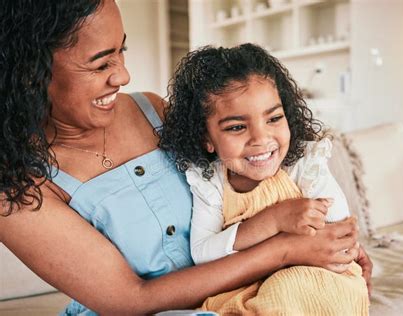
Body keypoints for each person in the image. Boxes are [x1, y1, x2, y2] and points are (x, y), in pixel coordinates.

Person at [0, 0, 371, 315]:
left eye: (121, 52)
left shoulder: (156, 111)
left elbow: (252, 180)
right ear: (31, 74)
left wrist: (331, 248)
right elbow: (131, 299)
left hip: (238, 293)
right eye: (101, 65)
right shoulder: (17, 188)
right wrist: (288, 250)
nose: (123, 75)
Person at [159, 43, 371, 315]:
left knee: (287, 292)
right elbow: (202, 253)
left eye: (273, 118)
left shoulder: (303, 166)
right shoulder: (210, 182)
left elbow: (339, 227)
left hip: (317, 279)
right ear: (207, 139)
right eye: (236, 127)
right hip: (252, 285)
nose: (261, 139)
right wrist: (273, 220)